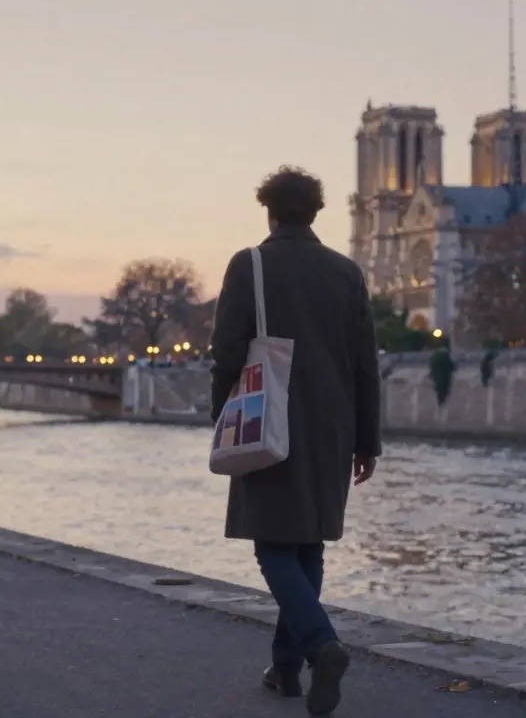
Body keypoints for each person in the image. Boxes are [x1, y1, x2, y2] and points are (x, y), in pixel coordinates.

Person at [209, 166, 381, 716]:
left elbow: (227, 352)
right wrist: (367, 440)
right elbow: (364, 365)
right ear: (315, 212)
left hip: (268, 417)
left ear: (270, 210)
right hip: (333, 427)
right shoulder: (347, 273)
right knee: (307, 543)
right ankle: (285, 670)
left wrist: (223, 419)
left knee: (271, 544)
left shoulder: (250, 264)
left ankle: (321, 646)